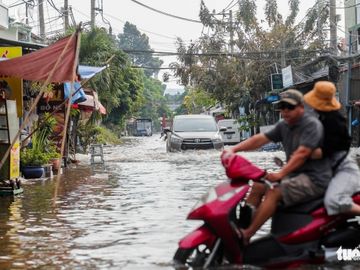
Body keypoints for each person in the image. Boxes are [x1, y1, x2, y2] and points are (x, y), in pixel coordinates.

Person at [223, 89, 332, 245]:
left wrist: (280, 174)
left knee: (275, 192)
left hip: (315, 179)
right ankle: (241, 230)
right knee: (259, 185)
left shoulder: (311, 125)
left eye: (290, 107)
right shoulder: (284, 125)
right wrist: (233, 149)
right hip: (294, 176)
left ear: (301, 107)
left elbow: (302, 154)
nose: (285, 111)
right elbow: (260, 139)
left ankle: (247, 234)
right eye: (282, 107)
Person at [304, 81, 360, 215]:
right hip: (328, 169)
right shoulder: (321, 118)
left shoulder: (333, 121)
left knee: (333, 201)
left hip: (342, 169)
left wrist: (301, 155)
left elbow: (322, 151)